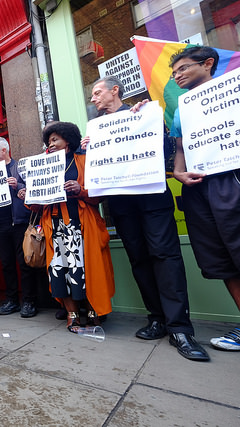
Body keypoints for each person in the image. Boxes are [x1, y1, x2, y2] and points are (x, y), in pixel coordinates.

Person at [84, 75, 209, 361]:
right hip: (122, 206)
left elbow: (167, 151)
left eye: (97, 92)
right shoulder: (96, 130)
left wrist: (155, 126)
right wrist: (87, 148)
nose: (93, 98)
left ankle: (180, 329)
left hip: (152, 199)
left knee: (165, 257)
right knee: (139, 259)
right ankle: (157, 319)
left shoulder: (144, 113)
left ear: (115, 91)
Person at [169, 46, 240, 352]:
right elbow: (181, 146)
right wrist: (178, 173)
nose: (177, 76)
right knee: (222, 259)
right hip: (198, 189)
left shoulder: (232, 90)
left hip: (232, 179)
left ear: (208, 63)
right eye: (173, 73)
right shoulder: (181, 108)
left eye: (183, 69)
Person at [23, 123, 115, 332]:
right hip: (55, 227)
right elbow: (35, 203)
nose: (51, 144)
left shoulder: (84, 161)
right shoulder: (42, 167)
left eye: (55, 139)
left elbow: (100, 194)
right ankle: (72, 315)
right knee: (60, 272)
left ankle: (93, 313)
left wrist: (80, 190)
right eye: (49, 141)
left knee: (88, 270)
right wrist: (28, 196)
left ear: (68, 139)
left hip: (82, 226)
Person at [0, 137, 47, 318]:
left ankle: (29, 301)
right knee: (7, 265)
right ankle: (12, 300)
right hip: (0, 225)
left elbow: (36, 189)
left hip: (20, 223)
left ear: (4, 150)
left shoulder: (20, 168)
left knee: (25, 263)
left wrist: (18, 185)